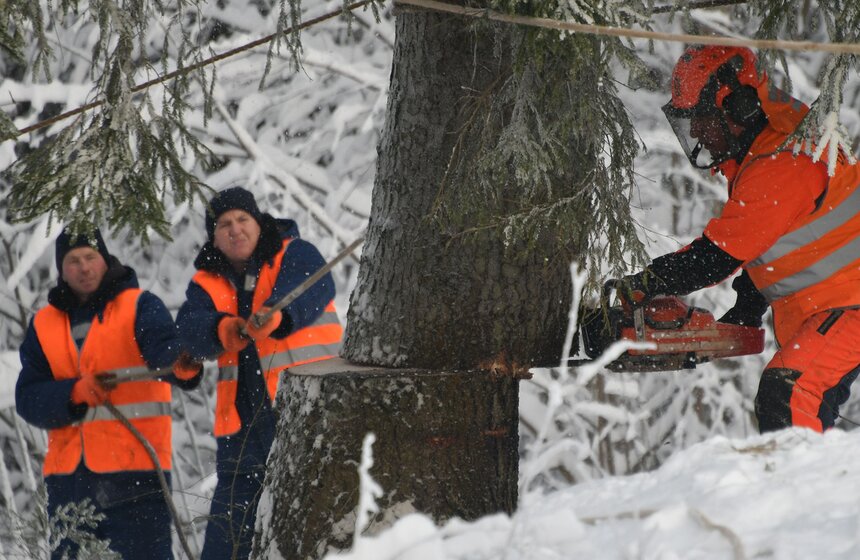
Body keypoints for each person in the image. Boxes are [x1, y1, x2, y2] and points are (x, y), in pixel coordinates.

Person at [622, 45, 860, 433]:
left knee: (789, 391)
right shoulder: (767, 150)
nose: (695, 133)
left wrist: (648, 283)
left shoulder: (783, 161)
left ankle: (795, 474)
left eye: (702, 118)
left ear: (740, 108)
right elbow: (782, 237)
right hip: (838, 305)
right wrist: (748, 303)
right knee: (791, 392)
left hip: (851, 307)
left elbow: (717, 256)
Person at [177, 187, 343, 559]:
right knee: (226, 544)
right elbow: (188, 328)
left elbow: (310, 286)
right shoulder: (206, 283)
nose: (235, 229)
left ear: (258, 222)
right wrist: (220, 329)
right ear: (214, 237)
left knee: (310, 533)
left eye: (242, 219)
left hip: (309, 416)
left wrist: (278, 315)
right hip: (241, 434)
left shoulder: (294, 252)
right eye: (224, 224)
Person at [16, 227, 202, 559]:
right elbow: (28, 399)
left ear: (105, 259)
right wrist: (73, 393)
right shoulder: (43, 324)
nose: (84, 267)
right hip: (68, 483)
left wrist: (181, 363)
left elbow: (164, 348)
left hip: (136, 476)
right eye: (73, 261)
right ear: (61, 270)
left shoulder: (140, 306)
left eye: (90, 257)